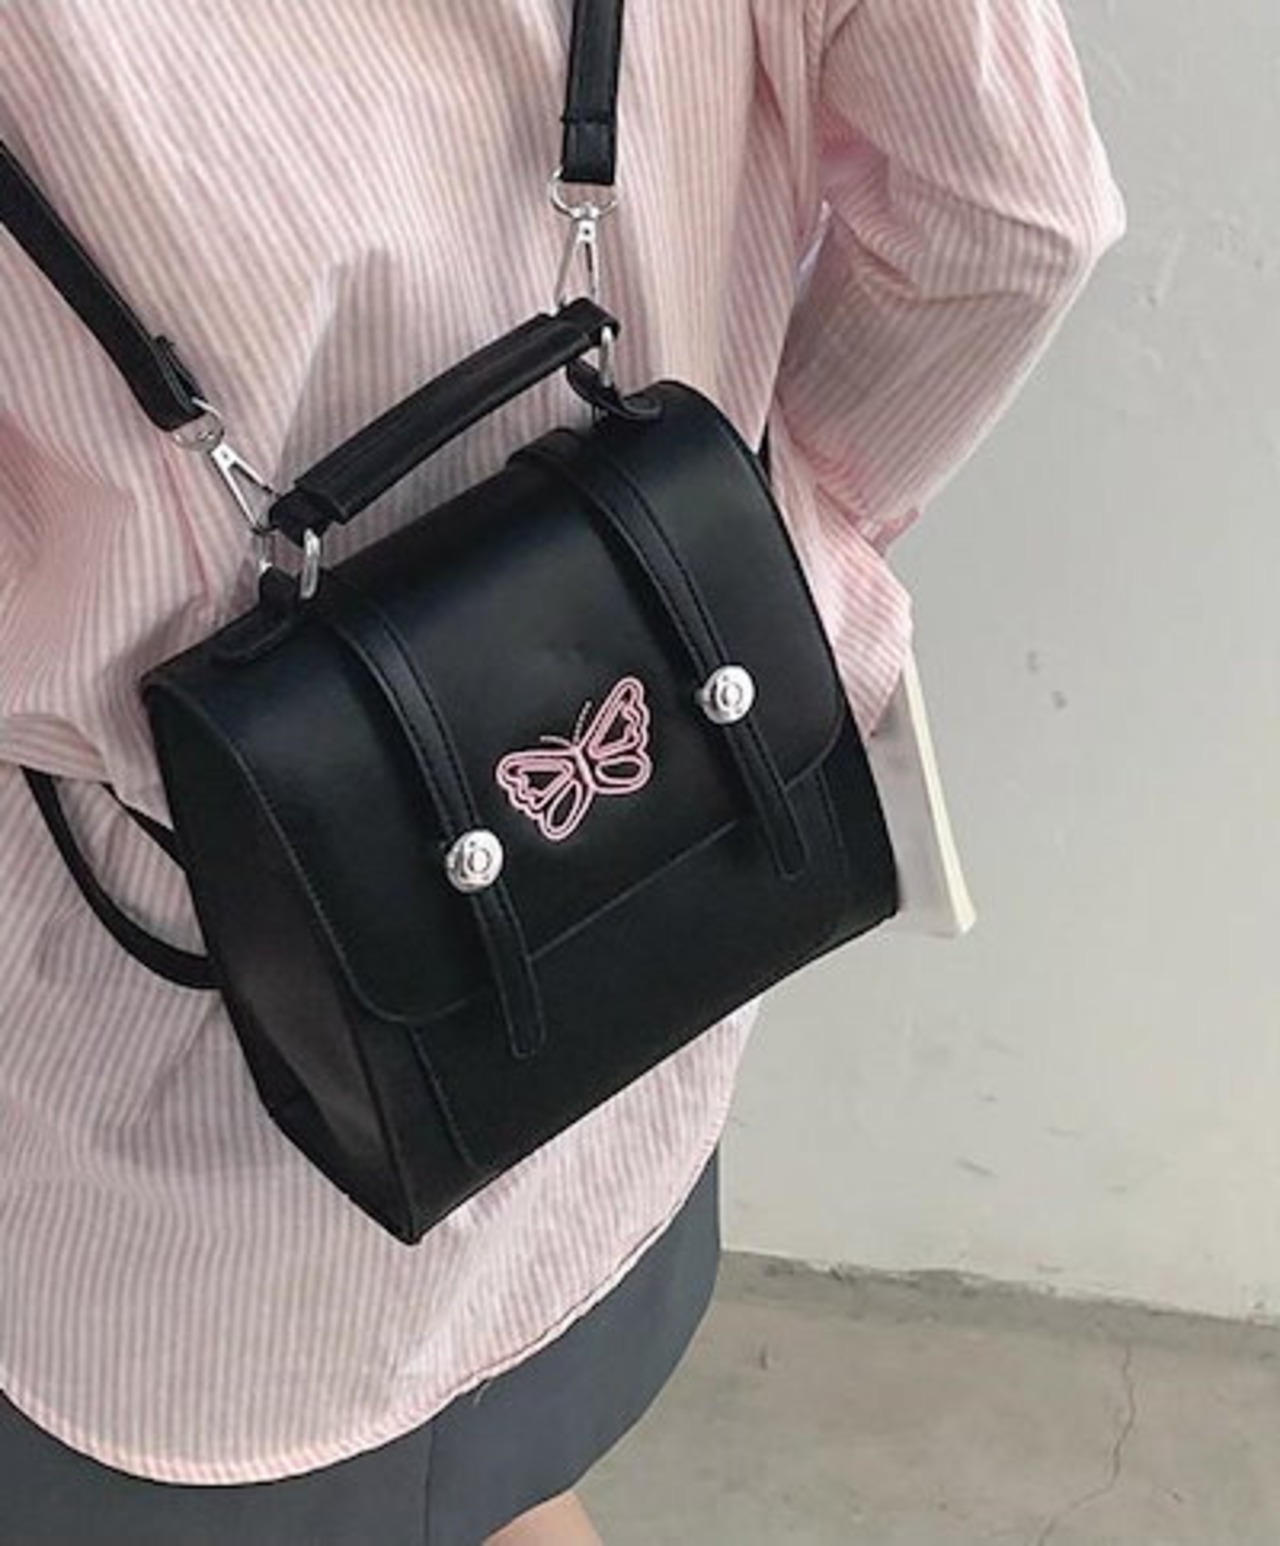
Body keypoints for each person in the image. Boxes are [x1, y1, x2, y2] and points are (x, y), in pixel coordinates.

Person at [0, 2, 1125, 1541]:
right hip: (653, 930)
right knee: (515, 1470)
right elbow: (1016, 217)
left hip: (180, 1087)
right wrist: (757, 542)